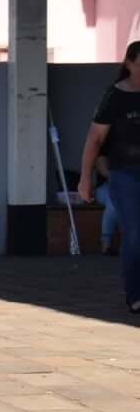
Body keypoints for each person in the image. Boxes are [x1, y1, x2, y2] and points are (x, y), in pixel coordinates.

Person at [81, 39, 140, 310]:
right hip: (126, 174)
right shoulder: (115, 96)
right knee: (134, 234)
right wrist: (85, 178)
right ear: (128, 64)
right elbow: (94, 140)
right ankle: (135, 295)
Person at [94, 154, 122, 255]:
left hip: (129, 188)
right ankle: (106, 243)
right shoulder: (106, 146)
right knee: (113, 199)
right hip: (105, 188)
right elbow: (103, 169)